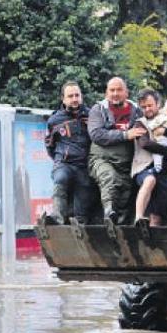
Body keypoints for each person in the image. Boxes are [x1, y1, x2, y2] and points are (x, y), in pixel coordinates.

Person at [88, 77, 145, 225]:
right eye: (111, 90)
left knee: (125, 195)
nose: (115, 93)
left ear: (126, 92)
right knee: (109, 178)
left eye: (119, 90)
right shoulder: (98, 109)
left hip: (126, 163)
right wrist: (125, 135)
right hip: (102, 158)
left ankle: (119, 230)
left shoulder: (136, 111)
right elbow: (96, 135)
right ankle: (108, 211)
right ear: (106, 93)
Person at [131, 89, 167, 227]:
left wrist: (165, 131)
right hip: (145, 167)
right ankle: (138, 216)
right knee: (150, 180)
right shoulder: (140, 123)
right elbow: (145, 143)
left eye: (150, 105)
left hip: (166, 172)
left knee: (157, 215)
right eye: (143, 107)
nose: (147, 109)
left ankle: (153, 237)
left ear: (158, 104)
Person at [44, 81, 94, 225]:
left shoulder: (92, 116)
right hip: (64, 164)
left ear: (81, 96)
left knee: (81, 212)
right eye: (70, 96)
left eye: (77, 95)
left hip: (85, 166)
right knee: (60, 179)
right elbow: (49, 145)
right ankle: (56, 218)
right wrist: (61, 157)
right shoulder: (54, 120)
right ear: (63, 99)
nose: (74, 99)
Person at [15, 129, 33, 225]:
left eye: (24, 147)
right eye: (21, 147)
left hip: (27, 222)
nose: (23, 151)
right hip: (16, 223)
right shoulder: (12, 175)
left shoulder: (26, 173)